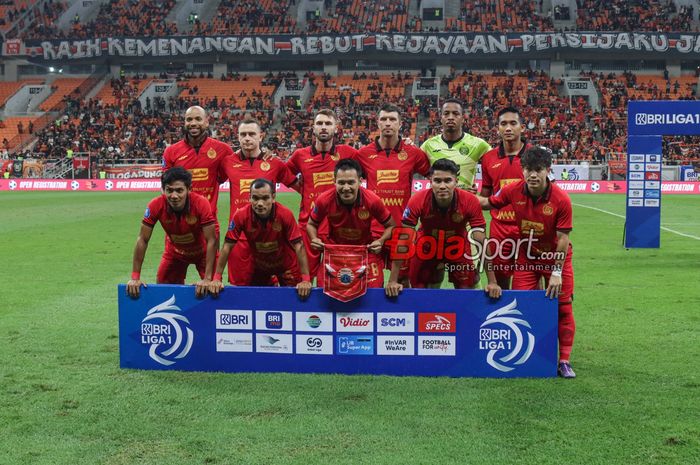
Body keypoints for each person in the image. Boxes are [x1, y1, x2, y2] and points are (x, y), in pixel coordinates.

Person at [477, 146, 577, 378]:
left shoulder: (561, 199)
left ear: (548, 171)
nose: (533, 175)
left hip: (555, 259)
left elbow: (563, 240)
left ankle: (564, 360)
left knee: (563, 308)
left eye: (538, 170)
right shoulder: (512, 191)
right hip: (527, 258)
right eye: (529, 170)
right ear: (522, 171)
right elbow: (488, 203)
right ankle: (532, 353)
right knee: (523, 306)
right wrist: (456, 193)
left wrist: (557, 272)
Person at [385, 159, 501, 297]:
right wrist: (392, 280)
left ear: (456, 181)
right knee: (420, 290)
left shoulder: (470, 201)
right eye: (437, 181)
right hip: (426, 246)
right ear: (430, 181)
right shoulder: (417, 200)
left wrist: (492, 281)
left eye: (448, 180)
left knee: (466, 289)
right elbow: (404, 239)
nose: (442, 186)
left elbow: (481, 241)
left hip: (458, 247)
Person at [355, 103, 431, 286]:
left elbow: (436, 177)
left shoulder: (413, 153)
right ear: (377, 124)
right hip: (373, 230)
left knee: (403, 281)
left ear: (400, 124)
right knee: (372, 282)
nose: (388, 123)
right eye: (383, 119)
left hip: (403, 229)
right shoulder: (363, 154)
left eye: (392, 119)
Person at [221, 117, 299, 285]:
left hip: (268, 236)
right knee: (240, 288)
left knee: (271, 287)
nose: (247, 138)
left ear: (261, 136)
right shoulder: (227, 162)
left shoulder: (274, 163)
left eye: (251, 134)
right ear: (238, 137)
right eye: (243, 134)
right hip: (239, 237)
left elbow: (300, 187)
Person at [286, 109, 358, 282]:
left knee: (335, 278)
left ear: (336, 128)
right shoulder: (300, 155)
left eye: (328, 123)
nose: (323, 127)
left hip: (337, 226)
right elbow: (283, 173)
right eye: (319, 123)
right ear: (313, 128)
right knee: (303, 279)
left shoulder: (348, 153)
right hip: (308, 225)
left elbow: (372, 162)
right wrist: (301, 189)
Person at [209, 179, 312, 299]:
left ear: (273, 197)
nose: (259, 203)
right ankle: (272, 282)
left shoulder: (285, 214)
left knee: (293, 300)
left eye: (265, 198)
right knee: (258, 300)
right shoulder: (241, 215)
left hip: (286, 266)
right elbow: (227, 246)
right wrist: (216, 278)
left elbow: (299, 246)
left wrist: (305, 279)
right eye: (255, 198)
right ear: (249, 197)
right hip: (260, 266)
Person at [126, 167, 217, 299]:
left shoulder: (201, 203)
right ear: (163, 189)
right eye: (169, 190)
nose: (174, 196)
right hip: (175, 253)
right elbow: (142, 239)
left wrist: (208, 278)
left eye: (179, 190)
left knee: (212, 291)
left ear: (189, 189)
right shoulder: (155, 205)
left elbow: (212, 240)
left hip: (202, 253)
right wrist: (135, 277)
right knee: (163, 290)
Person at [307, 159, 396, 287]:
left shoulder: (372, 200)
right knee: (325, 291)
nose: (346, 188)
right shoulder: (324, 200)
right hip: (334, 251)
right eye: (341, 183)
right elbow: (311, 224)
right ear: (334, 182)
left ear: (360, 181)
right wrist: (314, 238)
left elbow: (391, 225)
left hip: (364, 250)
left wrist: (380, 241)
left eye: (351, 182)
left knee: (374, 291)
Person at [479, 106, 530, 289]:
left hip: (529, 227)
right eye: (503, 124)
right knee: (500, 281)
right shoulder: (488, 158)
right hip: (499, 229)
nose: (508, 128)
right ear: (498, 128)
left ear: (522, 127)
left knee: (530, 280)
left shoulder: (534, 155)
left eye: (513, 123)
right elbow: (485, 197)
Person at [162, 105, 233, 225]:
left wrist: (264, 154)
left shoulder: (223, 150)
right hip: (180, 221)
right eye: (189, 119)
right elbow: (165, 186)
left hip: (208, 221)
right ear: (184, 122)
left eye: (198, 119)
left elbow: (244, 163)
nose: (193, 123)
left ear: (206, 122)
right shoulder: (171, 151)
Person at [421, 98, 491, 189]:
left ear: (462, 118)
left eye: (455, 113)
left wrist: (482, 194)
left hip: (465, 202)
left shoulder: (478, 144)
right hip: (437, 202)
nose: (450, 117)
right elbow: (410, 165)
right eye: (446, 114)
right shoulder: (428, 145)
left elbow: (497, 164)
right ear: (441, 118)